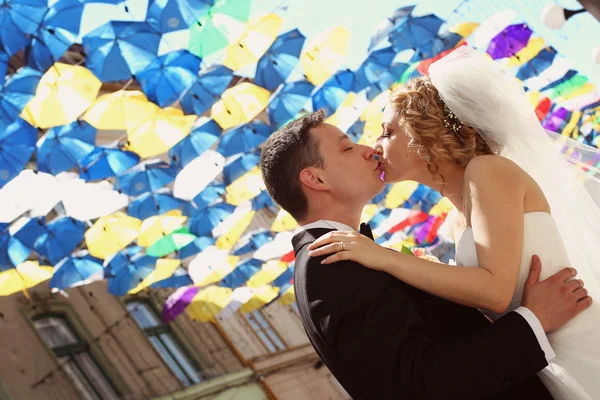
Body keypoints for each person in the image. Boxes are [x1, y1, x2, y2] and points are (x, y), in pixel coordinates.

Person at [307, 46, 600, 399]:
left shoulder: (487, 171)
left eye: (387, 132)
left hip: (582, 341)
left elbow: (494, 292)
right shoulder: (454, 220)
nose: (375, 146)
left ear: (422, 131)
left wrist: (384, 256)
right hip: (545, 357)